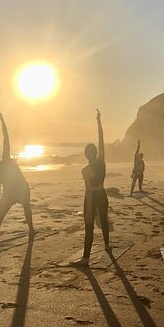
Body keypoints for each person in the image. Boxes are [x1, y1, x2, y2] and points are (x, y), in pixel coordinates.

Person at [0, 111, 35, 248]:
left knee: (27, 207)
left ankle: (31, 229)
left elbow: (6, 138)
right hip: (9, 194)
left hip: (22, 189)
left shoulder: (6, 159)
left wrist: (2, 120)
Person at [74, 109, 109, 266]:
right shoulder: (101, 160)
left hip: (93, 197)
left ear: (85, 155)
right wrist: (99, 122)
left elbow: (88, 191)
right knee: (104, 220)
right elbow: (101, 140)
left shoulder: (85, 170)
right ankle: (107, 245)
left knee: (89, 227)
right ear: (95, 152)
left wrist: (88, 210)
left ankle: (86, 258)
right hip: (102, 194)